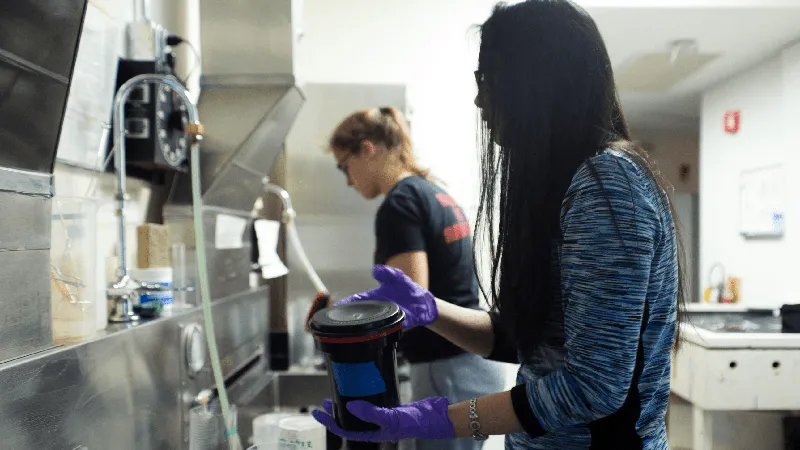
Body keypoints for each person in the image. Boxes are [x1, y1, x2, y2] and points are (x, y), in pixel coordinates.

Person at [312, 1, 686, 449]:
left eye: (486, 79)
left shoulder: (606, 185)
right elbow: (529, 342)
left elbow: (595, 387)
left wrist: (438, 421)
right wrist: (431, 310)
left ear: (535, 81)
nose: (478, 99)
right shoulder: (570, 184)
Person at [326, 106, 505, 450]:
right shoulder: (433, 192)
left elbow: (410, 301)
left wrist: (343, 322)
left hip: (445, 367)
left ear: (368, 149)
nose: (348, 180)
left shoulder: (400, 204)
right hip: (469, 360)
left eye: (343, 166)